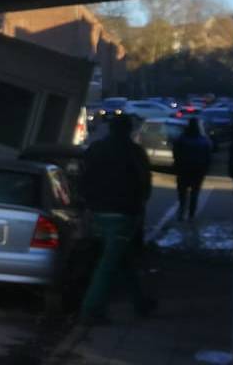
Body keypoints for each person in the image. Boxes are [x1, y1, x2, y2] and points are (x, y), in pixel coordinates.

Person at [79, 114, 158, 324]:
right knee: (109, 263)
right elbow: (144, 183)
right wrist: (139, 205)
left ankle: (140, 302)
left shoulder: (95, 149)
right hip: (122, 213)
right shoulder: (134, 153)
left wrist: (88, 203)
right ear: (129, 130)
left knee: (122, 257)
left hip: (98, 211)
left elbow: (83, 177)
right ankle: (91, 310)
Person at [172, 119, 213, 221]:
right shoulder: (203, 141)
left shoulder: (181, 139)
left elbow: (176, 154)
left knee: (182, 193)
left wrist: (177, 165)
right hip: (198, 171)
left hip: (183, 170)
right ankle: (191, 214)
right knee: (195, 193)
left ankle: (182, 212)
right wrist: (205, 168)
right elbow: (208, 157)